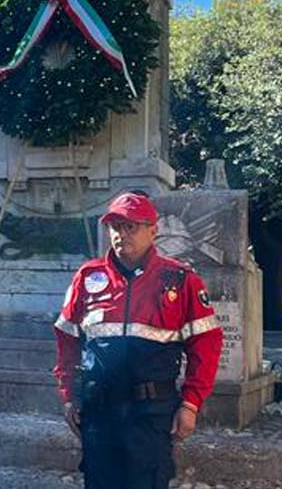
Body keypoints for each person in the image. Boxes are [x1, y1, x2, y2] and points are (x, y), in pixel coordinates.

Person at [52, 192, 223, 489]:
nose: (121, 234)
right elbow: (67, 341)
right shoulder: (88, 278)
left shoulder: (180, 279)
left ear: (153, 230)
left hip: (151, 413)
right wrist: (68, 397)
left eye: (131, 226)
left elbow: (206, 344)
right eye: (115, 227)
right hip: (99, 412)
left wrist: (191, 404)